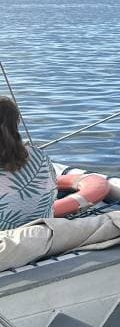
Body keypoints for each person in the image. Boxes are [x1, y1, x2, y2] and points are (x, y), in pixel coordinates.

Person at [0, 96, 57, 230]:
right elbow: (54, 188)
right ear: (18, 122)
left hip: (6, 242)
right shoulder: (39, 155)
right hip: (42, 233)